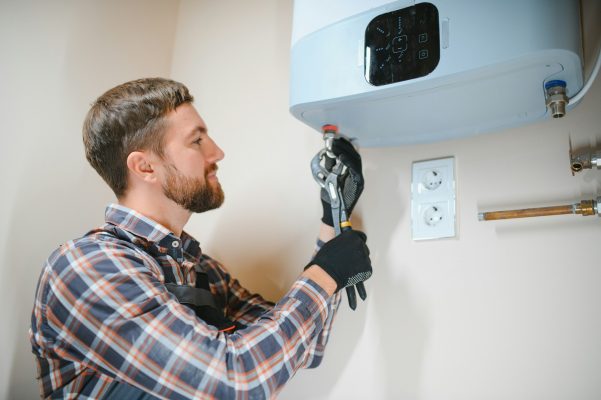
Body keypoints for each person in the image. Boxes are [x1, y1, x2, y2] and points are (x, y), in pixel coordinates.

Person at [29, 78, 372, 399]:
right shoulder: (87, 268)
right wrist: (324, 272)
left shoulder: (200, 271)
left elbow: (302, 346)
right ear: (145, 167)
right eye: (197, 140)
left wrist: (332, 218)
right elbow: (236, 383)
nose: (217, 152)